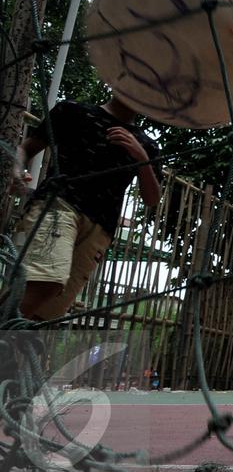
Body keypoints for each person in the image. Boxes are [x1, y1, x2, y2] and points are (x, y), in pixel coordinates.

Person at [9, 97, 161, 320]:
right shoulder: (72, 111)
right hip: (58, 204)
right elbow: (26, 148)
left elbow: (152, 198)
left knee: (45, 314)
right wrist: (16, 170)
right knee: (46, 283)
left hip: (101, 229)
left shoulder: (147, 145)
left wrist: (141, 157)